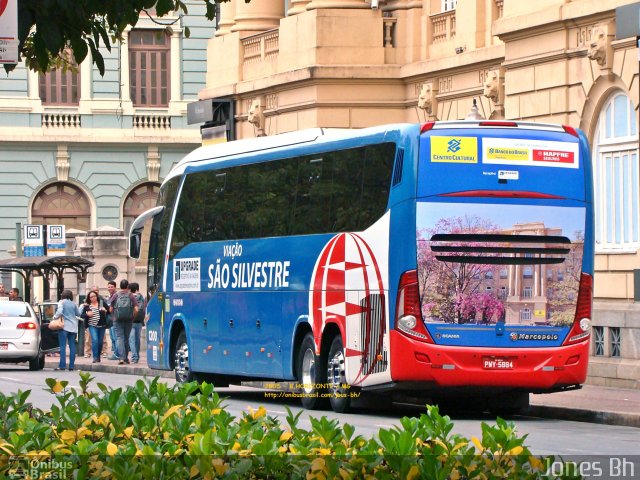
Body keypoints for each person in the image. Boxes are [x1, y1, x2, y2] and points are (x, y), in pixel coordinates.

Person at [108, 279, 138, 365]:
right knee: (126, 338)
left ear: (119, 286)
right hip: (128, 320)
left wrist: (114, 314)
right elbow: (136, 309)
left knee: (119, 338)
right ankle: (126, 358)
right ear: (128, 286)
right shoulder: (131, 295)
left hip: (117, 320)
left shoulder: (115, 295)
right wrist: (132, 316)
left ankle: (121, 358)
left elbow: (110, 309)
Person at [52, 289, 81, 371]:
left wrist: (54, 317)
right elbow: (78, 313)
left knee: (63, 347)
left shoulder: (61, 302)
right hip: (73, 327)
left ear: (63, 295)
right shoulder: (73, 304)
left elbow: (60, 311)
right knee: (72, 346)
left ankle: (62, 366)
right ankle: (71, 366)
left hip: (64, 326)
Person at [81, 290, 108, 363]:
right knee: (95, 340)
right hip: (92, 325)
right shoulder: (87, 306)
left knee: (100, 342)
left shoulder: (102, 304)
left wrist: (105, 310)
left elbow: (110, 310)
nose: (93, 298)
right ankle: (95, 357)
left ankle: (98, 356)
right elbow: (82, 315)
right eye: (91, 297)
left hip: (102, 325)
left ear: (97, 296)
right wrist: (87, 314)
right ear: (89, 298)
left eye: (94, 296)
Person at [129, 282, 146, 364]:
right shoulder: (142, 297)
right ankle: (137, 356)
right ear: (137, 289)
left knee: (131, 340)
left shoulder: (130, 297)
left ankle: (134, 356)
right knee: (137, 339)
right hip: (139, 320)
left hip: (131, 320)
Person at [105, 281, 119, 360]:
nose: (110, 288)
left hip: (115, 319)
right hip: (111, 320)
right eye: (109, 287)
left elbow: (110, 309)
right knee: (113, 338)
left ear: (115, 287)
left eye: (111, 287)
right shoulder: (110, 297)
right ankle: (115, 353)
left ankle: (117, 354)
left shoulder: (115, 296)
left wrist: (105, 309)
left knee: (116, 338)